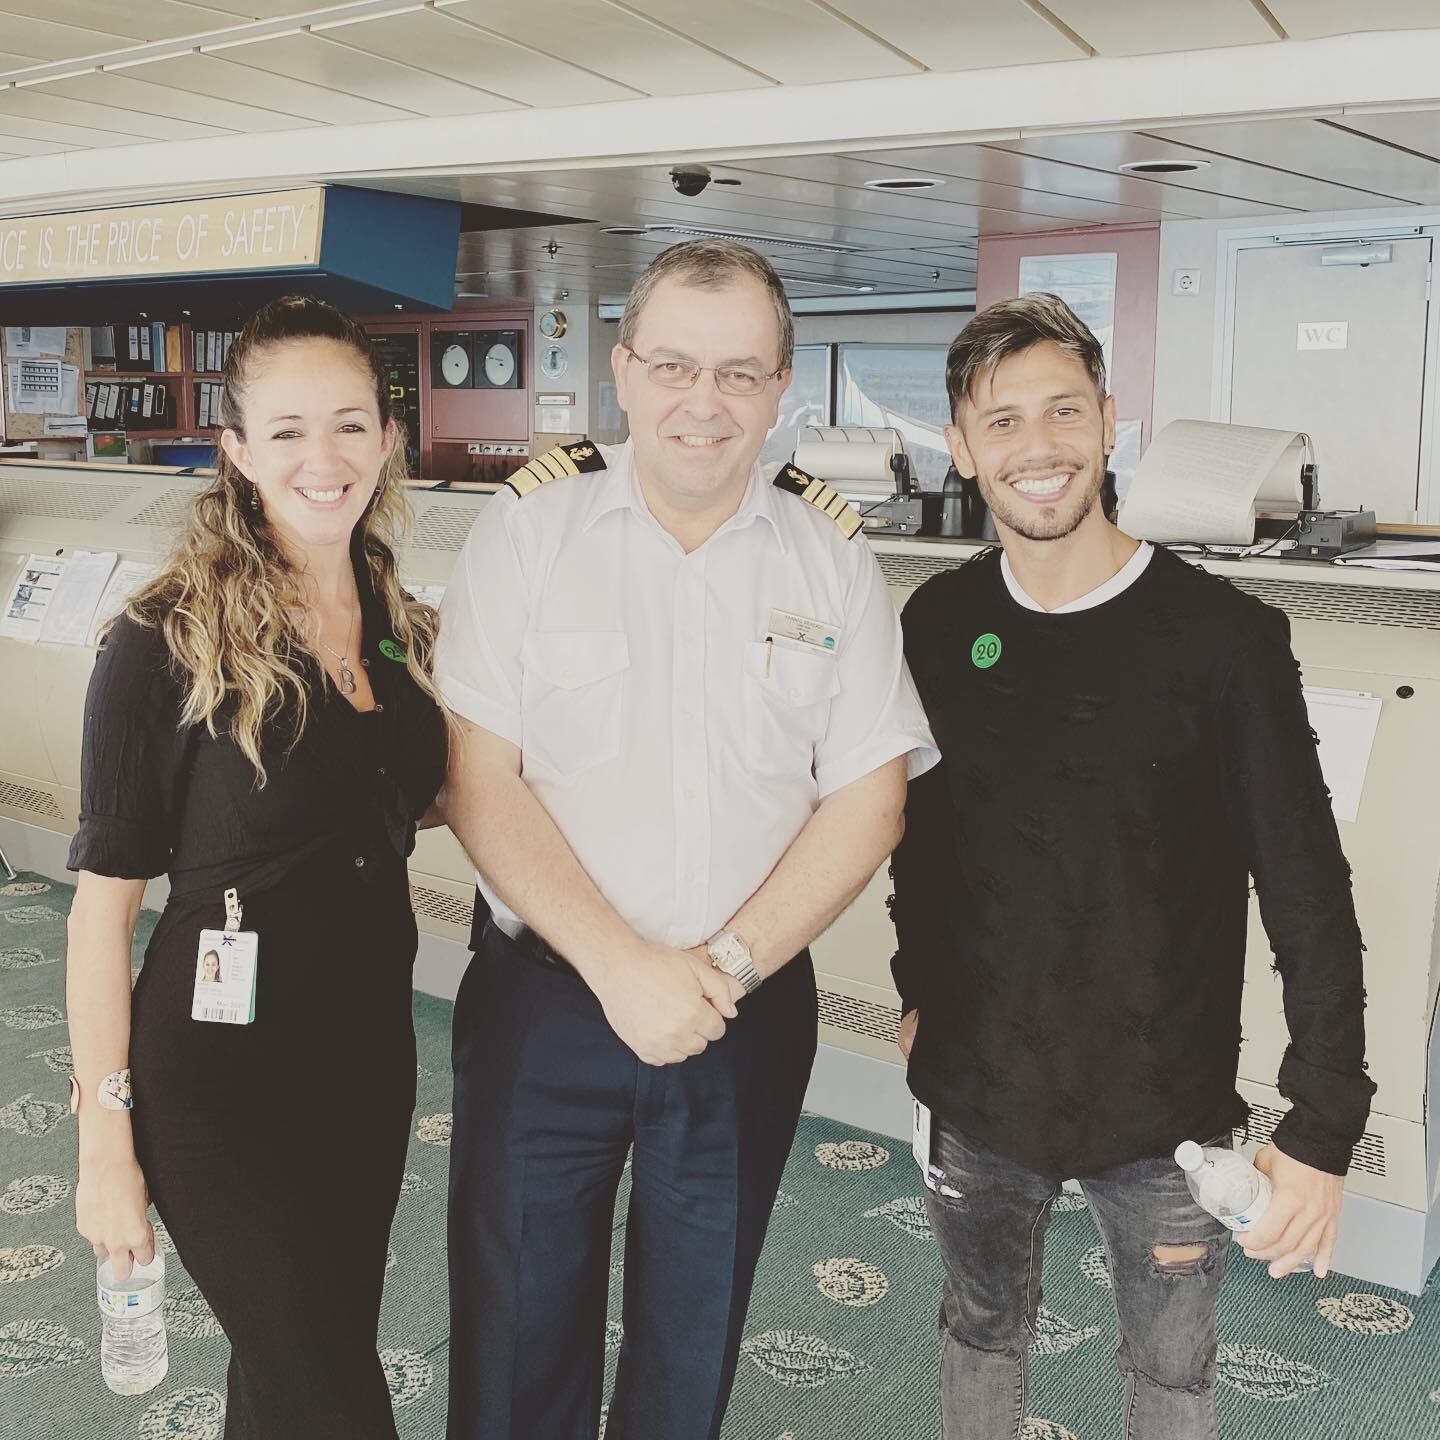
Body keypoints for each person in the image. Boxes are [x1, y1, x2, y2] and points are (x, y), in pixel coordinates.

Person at [436, 238, 938, 1440]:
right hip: (544, 1003)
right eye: (673, 365)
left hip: (742, 1011)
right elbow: (477, 777)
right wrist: (621, 966)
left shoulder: (834, 558)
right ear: (623, 371)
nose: (702, 402)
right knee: (514, 1336)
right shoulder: (529, 532)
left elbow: (870, 796)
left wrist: (717, 972)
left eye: (738, 372)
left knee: (692, 1340)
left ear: (778, 387)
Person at [890, 292, 1375, 1440]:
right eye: (1000, 422)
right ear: (961, 448)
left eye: (1064, 410)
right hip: (979, 1087)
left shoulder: (1225, 641)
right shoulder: (937, 623)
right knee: (977, 1337)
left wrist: (1320, 1124)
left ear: (1111, 422)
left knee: (1168, 1380)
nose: (1038, 446)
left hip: (1166, 1110)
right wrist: (917, 994)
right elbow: (922, 840)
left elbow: (1308, 892)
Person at [65, 295, 448, 1439]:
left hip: (368, 1064)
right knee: (332, 1394)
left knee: (290, 1373)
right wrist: (102, 1146)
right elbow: (99, 916)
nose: (321, 458)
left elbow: (406, 805)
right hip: (218, 1085)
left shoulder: (398, 621)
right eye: (284, 431)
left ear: (388, 436)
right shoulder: (162, 636)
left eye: (346, 424)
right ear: (234, 450)